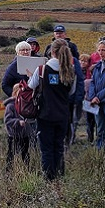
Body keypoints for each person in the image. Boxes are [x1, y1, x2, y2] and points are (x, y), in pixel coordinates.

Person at [28, 39, 76, 179]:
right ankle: (59, 176)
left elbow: (31, 86)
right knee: (59, 146)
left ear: (52, 52)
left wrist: (31, 77)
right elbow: (71, 92)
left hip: (45, 114)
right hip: (62, 115)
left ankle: (49, 177)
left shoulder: (42, 70)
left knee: (46, 149)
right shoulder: (70, 71)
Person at [3, 83, 33, 171]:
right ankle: (9, 171)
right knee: (11, 153)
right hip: (14, 135)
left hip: (25, 134)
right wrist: (17, 122)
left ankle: (26, 170)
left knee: (25, 153)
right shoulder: (10, 106)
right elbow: (7, 120)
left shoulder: (26, 105)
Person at [79, 53, 97, 142]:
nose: (83, 63)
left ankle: (95, 137)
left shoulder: (90, 72)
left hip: (92, 98)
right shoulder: (78, 71)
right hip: (86, 98)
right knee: (89, 120)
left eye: (85, 61)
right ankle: (90, 137)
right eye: (81, 61)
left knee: (94, 119)